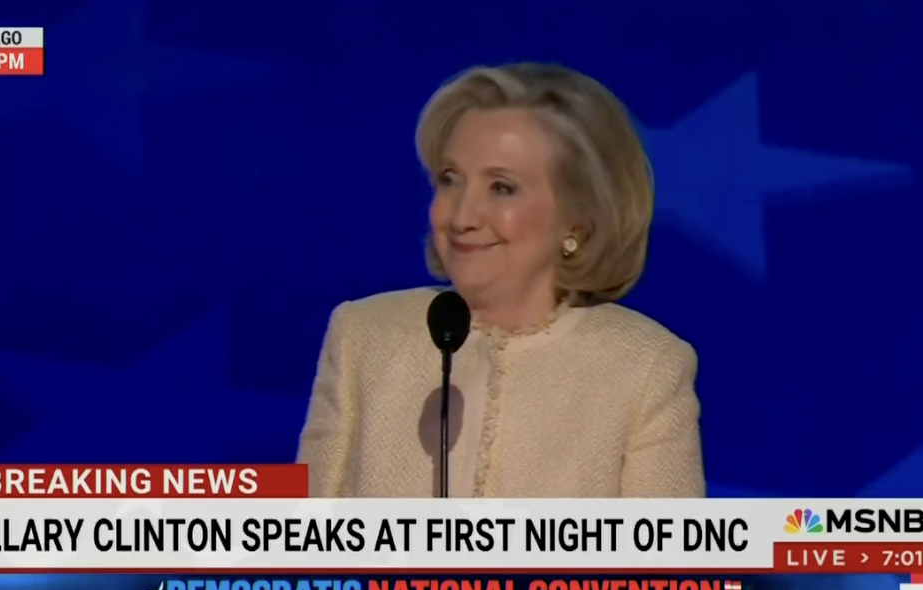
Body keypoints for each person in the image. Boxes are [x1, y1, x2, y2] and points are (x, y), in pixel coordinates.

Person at [297, 62, 705, 498]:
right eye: (450, 180)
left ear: (578, 221)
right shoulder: (363, 335)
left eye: (501, 188)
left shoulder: (644, 367)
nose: (462, 216)